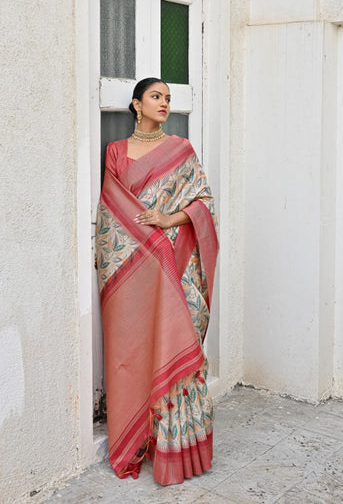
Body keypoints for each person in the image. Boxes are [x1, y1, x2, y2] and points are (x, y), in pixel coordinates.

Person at [95, 77, 218, 486]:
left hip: (179, 266)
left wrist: (169, 220)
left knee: (180, 347)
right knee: (137, 348)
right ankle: (143, 439)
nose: (165, 102)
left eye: (168, 98)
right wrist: (150, 244)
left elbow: (203, 202)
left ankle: (182, 452)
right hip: (136, 270)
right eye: (156, 96)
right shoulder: (115, 153)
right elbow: (112, 212)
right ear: (136, 104)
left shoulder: (182, 151)